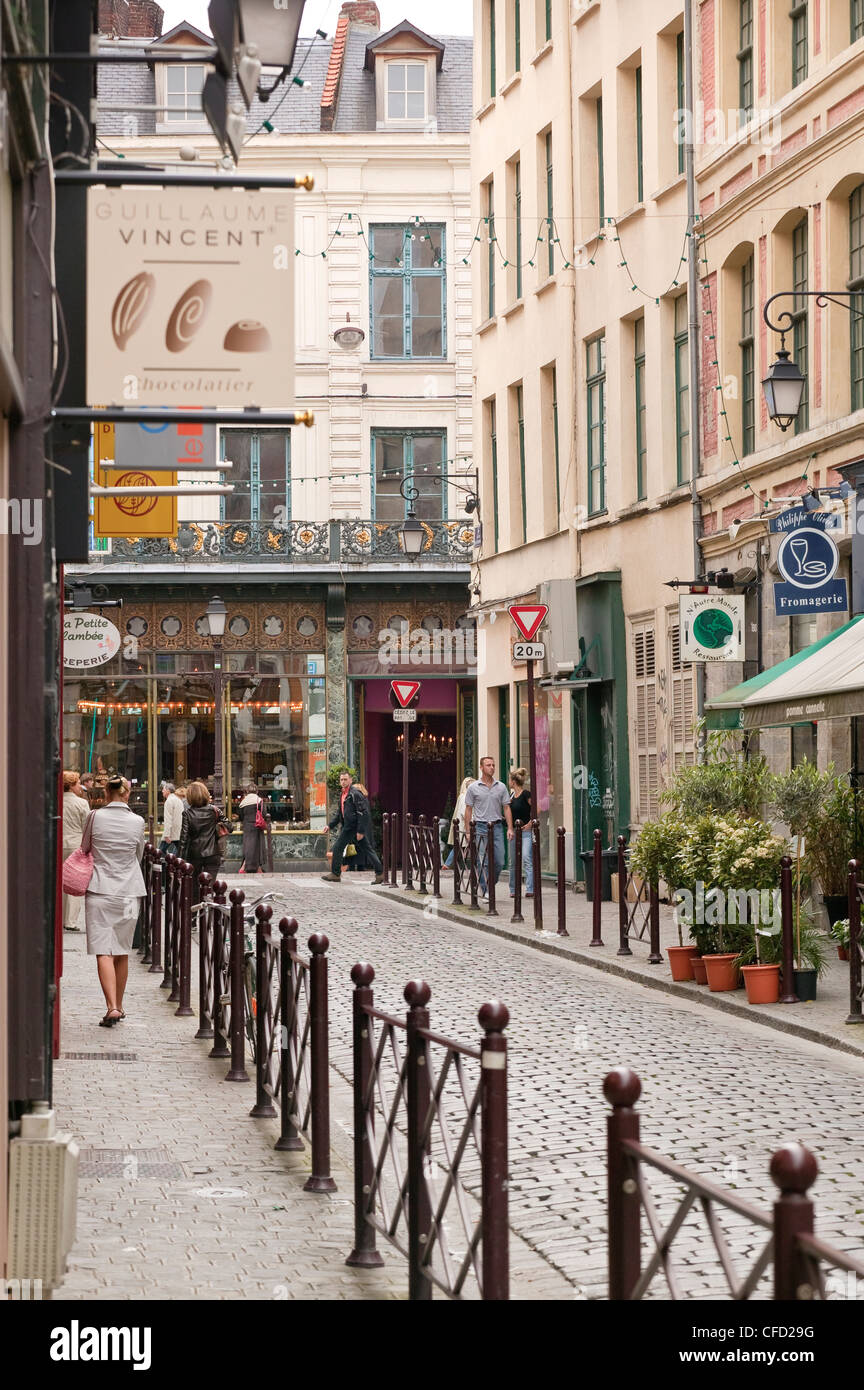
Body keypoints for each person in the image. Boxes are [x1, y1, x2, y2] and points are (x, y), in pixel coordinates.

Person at [84, 774, 145, 1027]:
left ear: (106, 794)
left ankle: (111, 1006)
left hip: (99, 890)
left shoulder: (94, 817)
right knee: (122, 950)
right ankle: (119, 1005)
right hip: (129, 891)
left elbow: (85, 848)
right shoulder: (138, 821)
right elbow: (139, 854)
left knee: (103, 950)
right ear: (127, 794)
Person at [322, 771, 384, 884]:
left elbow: (363, 813)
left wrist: (360, 831)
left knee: (337, 848)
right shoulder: (343, 794)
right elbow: (339, 814)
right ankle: (380, 874)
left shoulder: (355, 793)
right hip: (349, 827)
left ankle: (335, 874)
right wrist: (329, 825)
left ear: (350, 780)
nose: (343, 782)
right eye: (341, 780)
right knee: (367, 849)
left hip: (352, 827)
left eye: (345, 779)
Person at [463, 756, 513, 897]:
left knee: (499, 860)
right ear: (481, 768)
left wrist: (509, 828)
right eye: (488, 765)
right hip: (480, 826)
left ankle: (490, 883)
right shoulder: (473, 788)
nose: (492, 767)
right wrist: (468, 831)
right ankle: (486, 890)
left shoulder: (501, 786)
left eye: (493, 765)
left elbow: (507, 808)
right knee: (482, 860)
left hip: (497, 827)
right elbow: (468, 809)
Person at [179, 780, 227, 896]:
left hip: (195, 855)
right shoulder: (214, 810)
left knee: (194, 887)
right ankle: (208, 911)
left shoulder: (187, 813)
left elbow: (184, 839)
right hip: (213, 854)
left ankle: (196, 912)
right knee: (209, 887)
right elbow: (229, 826)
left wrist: (180, 859)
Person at [62, 770, 91, 932]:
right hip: (75, 845)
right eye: (78, 783)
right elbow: (86, 827)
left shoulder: (57, 801)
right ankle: (70, 921)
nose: (80, 786)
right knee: (73, 881)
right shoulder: (81, 803)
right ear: (71, 785)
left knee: (59, 881)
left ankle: (59, 916)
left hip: (59, 844)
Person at [507, 768, 535, 898]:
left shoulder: (526, 794)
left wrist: (530, 823)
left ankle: (530, 888)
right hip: (514, 832)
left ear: (513, 782)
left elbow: (536, 809)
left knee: (526, 858)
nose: (508, 782)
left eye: (509, 780)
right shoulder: (511, 796)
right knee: (513, 861)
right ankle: (513, 889)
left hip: (526, 832)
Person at [443, 776, 474, 871]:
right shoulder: (465, 797)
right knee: (460, 845)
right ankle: (449, 864)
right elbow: (464, 812)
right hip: (465, 826)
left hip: (463, 825)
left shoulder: (463, 796)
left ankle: (449, 864)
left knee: (460, 846)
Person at [237, 782, 266, 874]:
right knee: (257, 847)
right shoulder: (259, 800)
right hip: (257, 826)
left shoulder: (244, 802)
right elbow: (264, 813)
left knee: (248, 846)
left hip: (246, 826)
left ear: (247, 791)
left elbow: (240, 815)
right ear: (257, 791)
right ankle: (255, 867)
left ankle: (245, 866)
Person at [159, 780, 183, 857]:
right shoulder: (178, 800)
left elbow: (168, 819)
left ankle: (164, 868)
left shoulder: (169, 801)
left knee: (160, 853)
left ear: (168, 791)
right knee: (179, 854)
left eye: (163, 789)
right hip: (178, 832)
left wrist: (166, 834)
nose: (162, 791)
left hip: (171, 833)